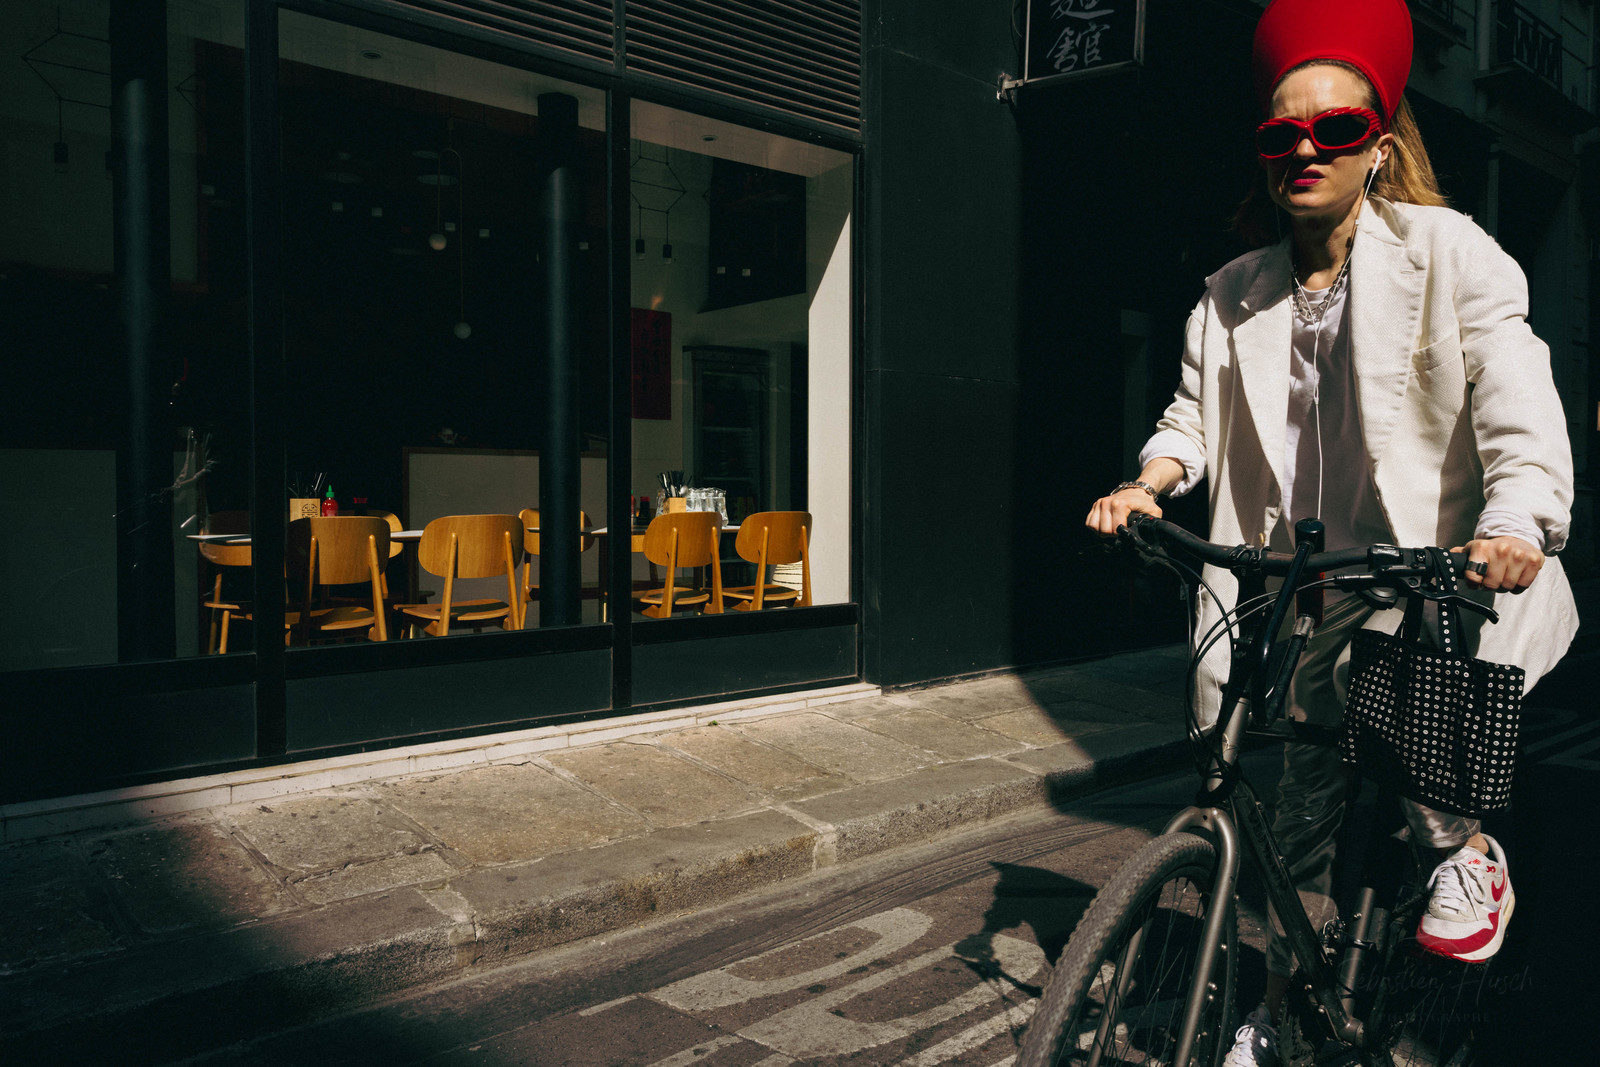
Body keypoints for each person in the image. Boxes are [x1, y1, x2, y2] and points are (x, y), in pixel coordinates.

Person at [1083, 1, 1579, 1063]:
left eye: (1336, 130)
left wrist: (1514, 518)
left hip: (1426, 569)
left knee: (1405, 706)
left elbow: (1514, 393)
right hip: (1290, 584)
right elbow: (1188, 418)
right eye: (1280, 135)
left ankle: (1462, 850)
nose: (1303, 149)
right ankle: (1277, 1003)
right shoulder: (1229, 295)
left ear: (1378, 147)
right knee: (1286, 831)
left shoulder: (1450, 253)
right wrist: (1150, 482)